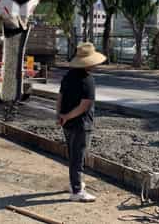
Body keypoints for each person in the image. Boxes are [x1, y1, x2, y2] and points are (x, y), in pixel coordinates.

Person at [57, 42, 106, 202]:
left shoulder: (68, 76)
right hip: (81, 124)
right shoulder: (88, 80)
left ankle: (74, 184)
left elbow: (60, 96)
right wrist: (68, 116)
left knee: (73, 155)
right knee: (78, 157)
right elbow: (85, 105)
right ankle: (77, 191)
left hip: (68, 123)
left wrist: (60, 115)